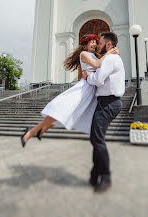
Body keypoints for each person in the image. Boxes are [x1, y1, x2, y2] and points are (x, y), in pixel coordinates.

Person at [21, 34, 118, 147]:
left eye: (95, 42)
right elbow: (97, 65)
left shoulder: (96, 55)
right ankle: (31, 131)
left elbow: (103, 66)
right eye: (92, 42)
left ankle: (41, 131)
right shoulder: (84, 54)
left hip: (94, 91)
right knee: (63, 111)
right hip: (84, 88)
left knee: (70, 116)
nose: (95, 44)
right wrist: (109, 53)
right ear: (85, 44)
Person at [83, 31, 125, 193]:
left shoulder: (110, 58)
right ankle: (95, 174)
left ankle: (105, 177)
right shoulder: (110, 57)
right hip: (106, 103)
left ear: (108, 44)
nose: (97, 46)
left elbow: (98, 79)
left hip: (109, 103)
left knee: (97, 139)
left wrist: (87, 77)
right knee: (96, 138)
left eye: (100, 43)